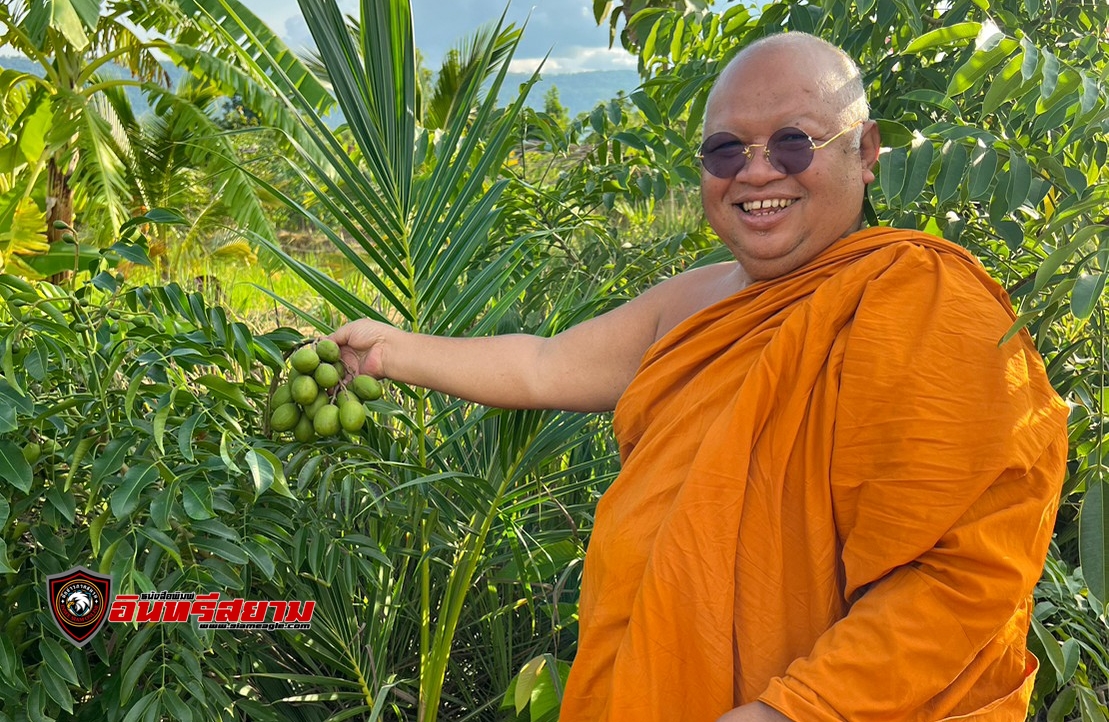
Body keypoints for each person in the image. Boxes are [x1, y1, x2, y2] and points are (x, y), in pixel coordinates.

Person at [329, 32, 1068, 722]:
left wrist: (791, 709)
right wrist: (389, 351)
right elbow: (543, 364)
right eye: (725, 150)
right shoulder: (692, 300)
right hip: (655, 682)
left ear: (865, 150)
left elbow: (966, 573)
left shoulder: (921, 301)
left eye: (792, 141)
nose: (756, 171)